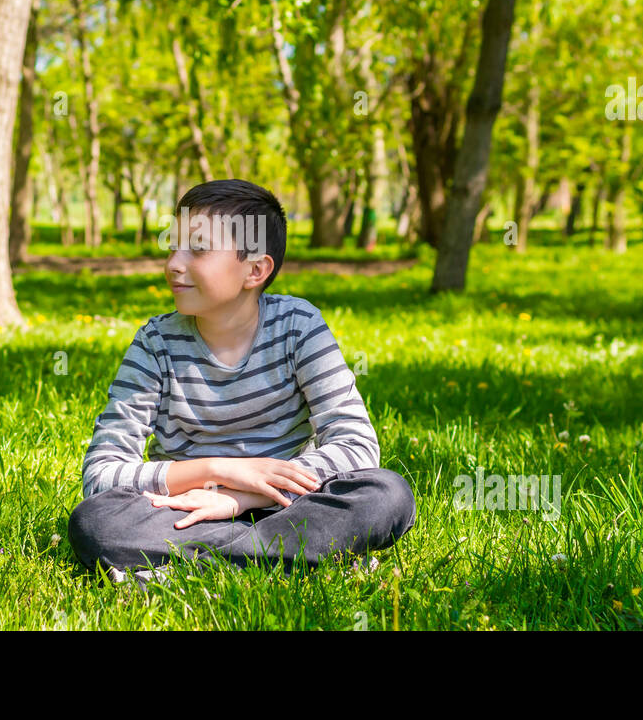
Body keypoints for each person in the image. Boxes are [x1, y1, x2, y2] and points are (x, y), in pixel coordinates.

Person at [67, 179, 416, 582]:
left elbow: (356, 445)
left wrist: (240, 497)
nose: (173, 264)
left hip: (286, 505)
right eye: (173, 247)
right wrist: (220, 471)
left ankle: (195, 564)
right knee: (94, 521)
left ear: (255, 270)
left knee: (387, 494)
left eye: (197, 249)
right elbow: (101, 472)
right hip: (188, 512)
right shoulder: (155, 343)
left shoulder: (299, 327)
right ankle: (300, 557)